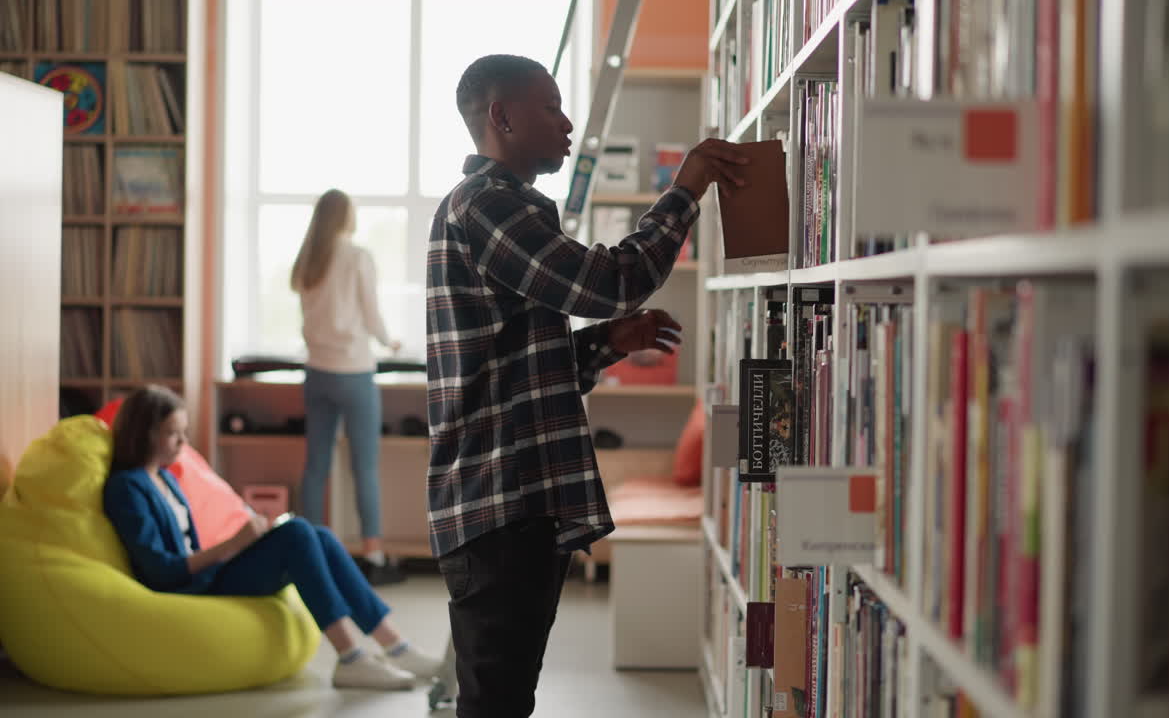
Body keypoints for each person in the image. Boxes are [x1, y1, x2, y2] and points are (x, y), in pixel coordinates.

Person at [425, 53, 747, 718]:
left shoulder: (499, 207)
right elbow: (612, 282)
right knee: (497, 702)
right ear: (502, 117)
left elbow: (519, 371)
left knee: (505, 697)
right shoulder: (488, 206)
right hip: (503, 499)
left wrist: (606, 342)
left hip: (517, 498)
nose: (569, 123)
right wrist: (685, 188)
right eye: (550, 107)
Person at [102, 385, 440, 690]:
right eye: (173, 434)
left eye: (184, 432)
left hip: (208, 571)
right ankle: (350, 657)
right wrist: (232, 545)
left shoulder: (165, 478)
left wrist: (242, 540)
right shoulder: (127, 487)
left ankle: (396, 646)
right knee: (296, 534)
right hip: (187, 584)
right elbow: (162, 569)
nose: (183, 443)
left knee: (318, 535)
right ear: (144, 434)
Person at [291, 189, 404, 585]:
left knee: (316, 466)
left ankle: (307, 551)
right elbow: (371, 315)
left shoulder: (308, 259)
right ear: (346, 217)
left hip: (317, 372)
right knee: (364, 466)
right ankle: (373, 554)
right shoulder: (357, 256)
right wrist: (390, 341)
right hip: (354, 372)